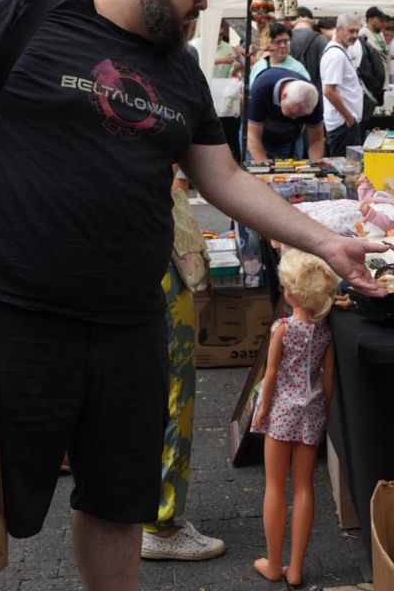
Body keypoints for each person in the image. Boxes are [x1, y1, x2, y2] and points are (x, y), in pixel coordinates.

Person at [0, 0, 384, 591]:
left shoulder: (180, 69)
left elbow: (223, 179)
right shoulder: (29, 12)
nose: (200, 8)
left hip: (131, 324)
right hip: (11, 313)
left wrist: (326, 241)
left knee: (118, 502)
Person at [140, 168, 226, 564]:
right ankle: (162, 522)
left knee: (146, 390)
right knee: (175, 389)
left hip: (118, 256)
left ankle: (145, 511)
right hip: (151, 255)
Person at [251, 249, 337, 589]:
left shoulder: (283, 329)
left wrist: (262, 407)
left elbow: (271, 374)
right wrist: (324, 408)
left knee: (275, 485)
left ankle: (274, 563)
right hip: (312, 411)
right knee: (304, 487)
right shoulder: (325, 333)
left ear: (290, 292)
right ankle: (297, 568)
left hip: (282, 412)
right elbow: (328, 379)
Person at [247, 72, 325, 162]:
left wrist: (315, 167)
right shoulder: (261, 89)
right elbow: (252, 136)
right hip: (259, 136)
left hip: (291, 138)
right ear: (283, 96)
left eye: (302, 116)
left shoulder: (313, 99)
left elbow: (316, 140)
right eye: (292, 112)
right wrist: (264, 168)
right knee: (257, 172)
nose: (295, 118)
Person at [319, 12, 366, 157]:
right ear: (338, 30)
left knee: (349, 170)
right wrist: (349, 118)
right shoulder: (336, 55)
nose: (354, 35)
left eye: (357, 31)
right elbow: (329, 91)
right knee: (347, 172)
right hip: (343, 125)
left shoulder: (340, 52)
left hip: (344, 123)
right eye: (350, 31)